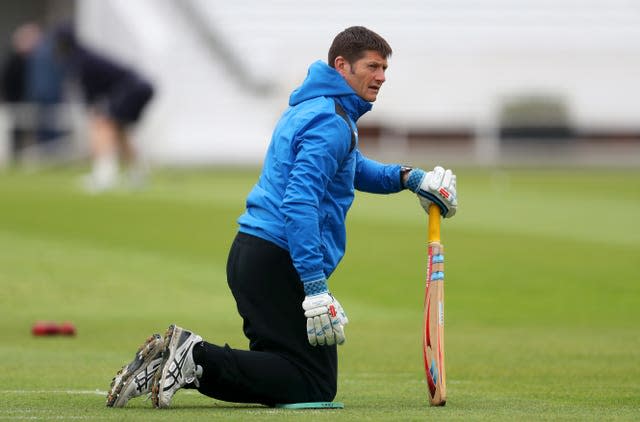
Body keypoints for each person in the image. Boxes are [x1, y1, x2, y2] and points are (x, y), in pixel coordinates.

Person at [105, 26, 458, 409]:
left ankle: (167, 361)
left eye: (385, 68)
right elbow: (299, 201)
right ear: (342, 65)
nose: (381, 77)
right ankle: (193, 358)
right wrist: (315, 286)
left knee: (287, 371)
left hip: (253, 254)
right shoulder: (331, 121)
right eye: (373, 66)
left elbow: (351, 168)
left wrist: (409, 178)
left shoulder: (316, 108)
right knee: (312, 384)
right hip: (279, 258)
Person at [54, 24, 154, 192]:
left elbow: (90, 92)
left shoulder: (80, 60)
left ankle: (105, 175)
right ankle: (137, 175)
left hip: (133, 88)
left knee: (103, 125)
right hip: (140, 87)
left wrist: (93, 110)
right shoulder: (83, 56)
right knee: (119, 130)